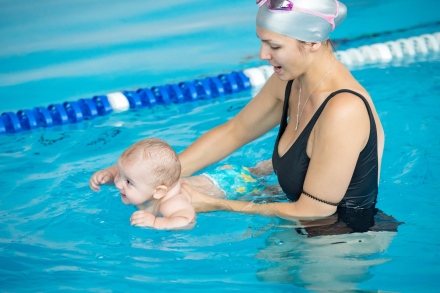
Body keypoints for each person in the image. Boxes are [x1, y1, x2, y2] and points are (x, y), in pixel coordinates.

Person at [180, 0, 386, 221]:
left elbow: (315, 211)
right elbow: (235, 132)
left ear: (313, 41)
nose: (263, 54)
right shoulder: (289, 81)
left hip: (343, 242)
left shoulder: (344, 110)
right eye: (262, 42)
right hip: (298, 229)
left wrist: (215, 204)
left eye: (274, 46)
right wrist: (162, 177)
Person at [89, 138, 276, 230]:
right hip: (223, 174)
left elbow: (187, 221)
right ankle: (271, 165)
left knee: (271, 191)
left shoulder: (172, 202)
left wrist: (156, 222)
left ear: (159, 191)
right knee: (256, 170)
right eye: (119, 175)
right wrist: (108, 174)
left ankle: (278, 167)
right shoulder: (151, 184)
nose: (119, 183)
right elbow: (131, 173)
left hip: (236, 186)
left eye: (128, 181)